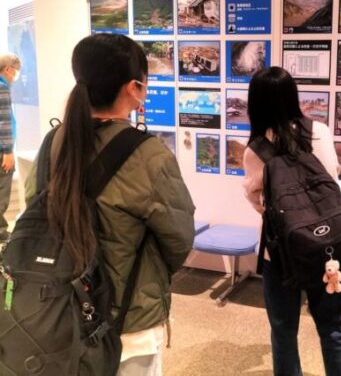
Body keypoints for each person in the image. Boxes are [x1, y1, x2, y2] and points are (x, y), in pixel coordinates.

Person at [24, 34, 195, 375]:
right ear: (134, 88)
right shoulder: (149, 154)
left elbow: (34, 207)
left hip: (56, 313)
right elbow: (179, 238)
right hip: (127, 322)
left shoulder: (52, 142)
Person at [243, 66, 341, 376]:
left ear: (256, 103)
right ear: (292, 96)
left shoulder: (255, 150)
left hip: (282, 253)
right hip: (329, 248)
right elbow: (334, 177)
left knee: (284, 331)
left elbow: (261, 206)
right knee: (335, 327)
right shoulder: (320, 132)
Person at [0, 53, 20, 243]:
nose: (16, 76)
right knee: (2, 193)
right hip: (1, 150)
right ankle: (1, 232)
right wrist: (7, 151)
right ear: (7, 69)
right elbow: (4, 121)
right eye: (15, 71)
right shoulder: (2, 88)